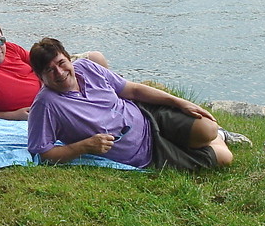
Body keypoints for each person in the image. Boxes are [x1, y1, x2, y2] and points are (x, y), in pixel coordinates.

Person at [26, 37, 248, 171]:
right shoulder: (45, 105)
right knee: (225, 158)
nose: (60, 72)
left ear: (68, 58)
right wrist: (85, 147)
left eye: (61, 63)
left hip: (146, 115)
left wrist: (179, 102)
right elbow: (43, 153)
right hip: (145, 152)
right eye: (49, 70)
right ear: (40, 76)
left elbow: (131, 89)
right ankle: (209, 142)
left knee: (207, 128)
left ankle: (212, 135)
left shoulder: (86, 67)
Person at [0, 19, 108, 120]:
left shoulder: (10, 49)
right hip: (50, 102)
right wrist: (12, 115)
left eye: (0, 40)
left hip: (52, 81)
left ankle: (112, 96)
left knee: (95, 58)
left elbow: (42, 62)